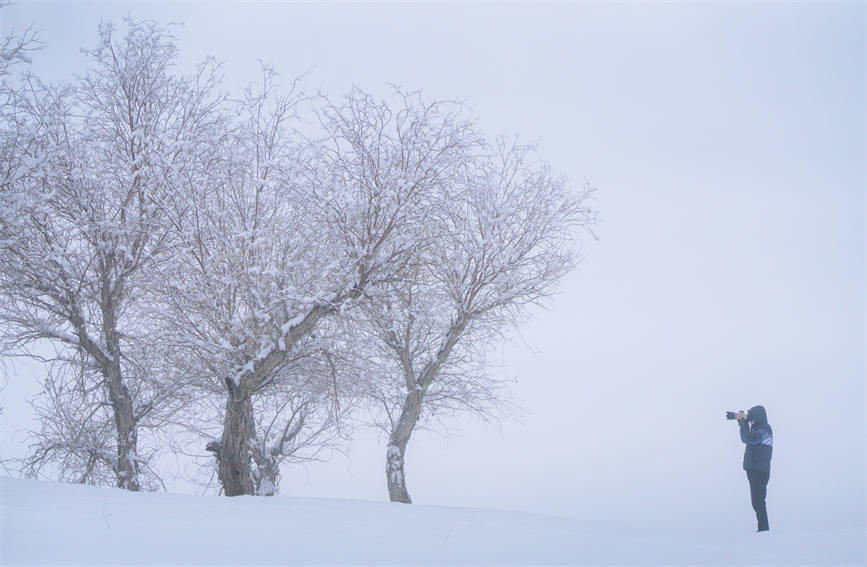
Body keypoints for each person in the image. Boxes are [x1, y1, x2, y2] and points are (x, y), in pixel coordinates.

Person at [738, 405, 773, 532]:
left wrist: (743, 424)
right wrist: (743, 423)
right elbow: (745, 438)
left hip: (760, 471)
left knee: (758, 501)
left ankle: (764, 529)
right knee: (756, 501)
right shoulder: (756, 430)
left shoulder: (765, 429)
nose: (750, 419)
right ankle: (763, 529)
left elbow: (749, 439)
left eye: (751, 416)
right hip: (754, 469)